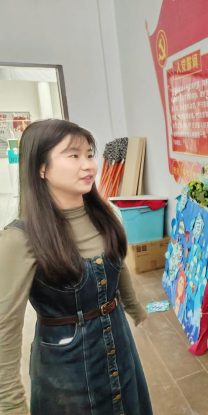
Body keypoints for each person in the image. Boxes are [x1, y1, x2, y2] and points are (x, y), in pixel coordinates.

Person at [0, 120, 153, 415]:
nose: (89, 165)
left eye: (89, 154)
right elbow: (5, 327)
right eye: (74, 155)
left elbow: (117, 265)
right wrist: (10, 404)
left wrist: (134, 307)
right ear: (41, 168)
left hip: (120, 344)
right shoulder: (18, 239)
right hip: (65, 371)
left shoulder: (104, 215)